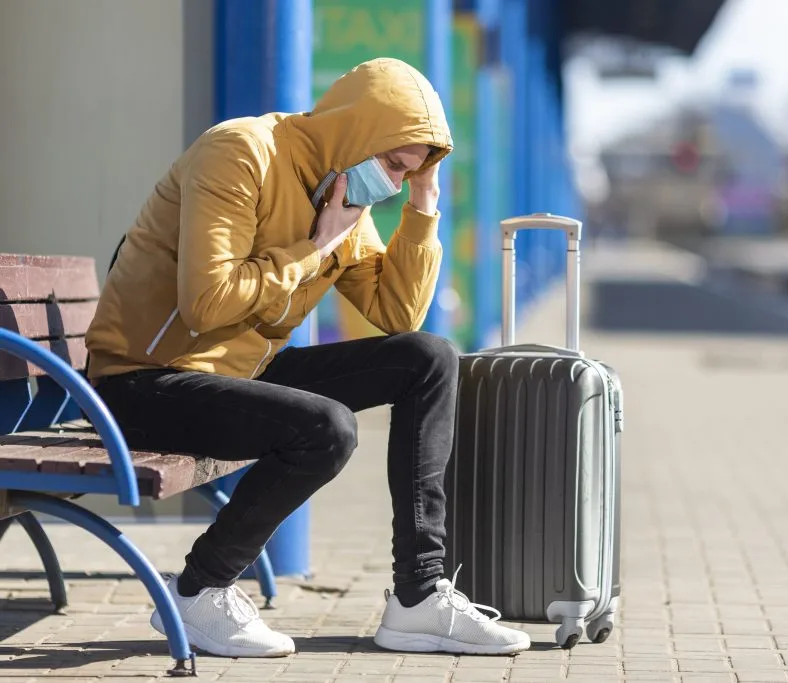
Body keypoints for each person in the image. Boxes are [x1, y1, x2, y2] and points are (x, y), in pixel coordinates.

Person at [84, 58, 531, 658]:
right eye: (395, 165)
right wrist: (317, 243)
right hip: (142, 381)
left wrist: (424, 208)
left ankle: (419, 598)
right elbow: (207, 304)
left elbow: (397, 315)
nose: (395, 184)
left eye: (411, 173)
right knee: (325, 428)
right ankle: (199, 592)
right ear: (356, 134)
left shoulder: (342, 190)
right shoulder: (242, 151)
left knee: (427, 357)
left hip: (238, 373)